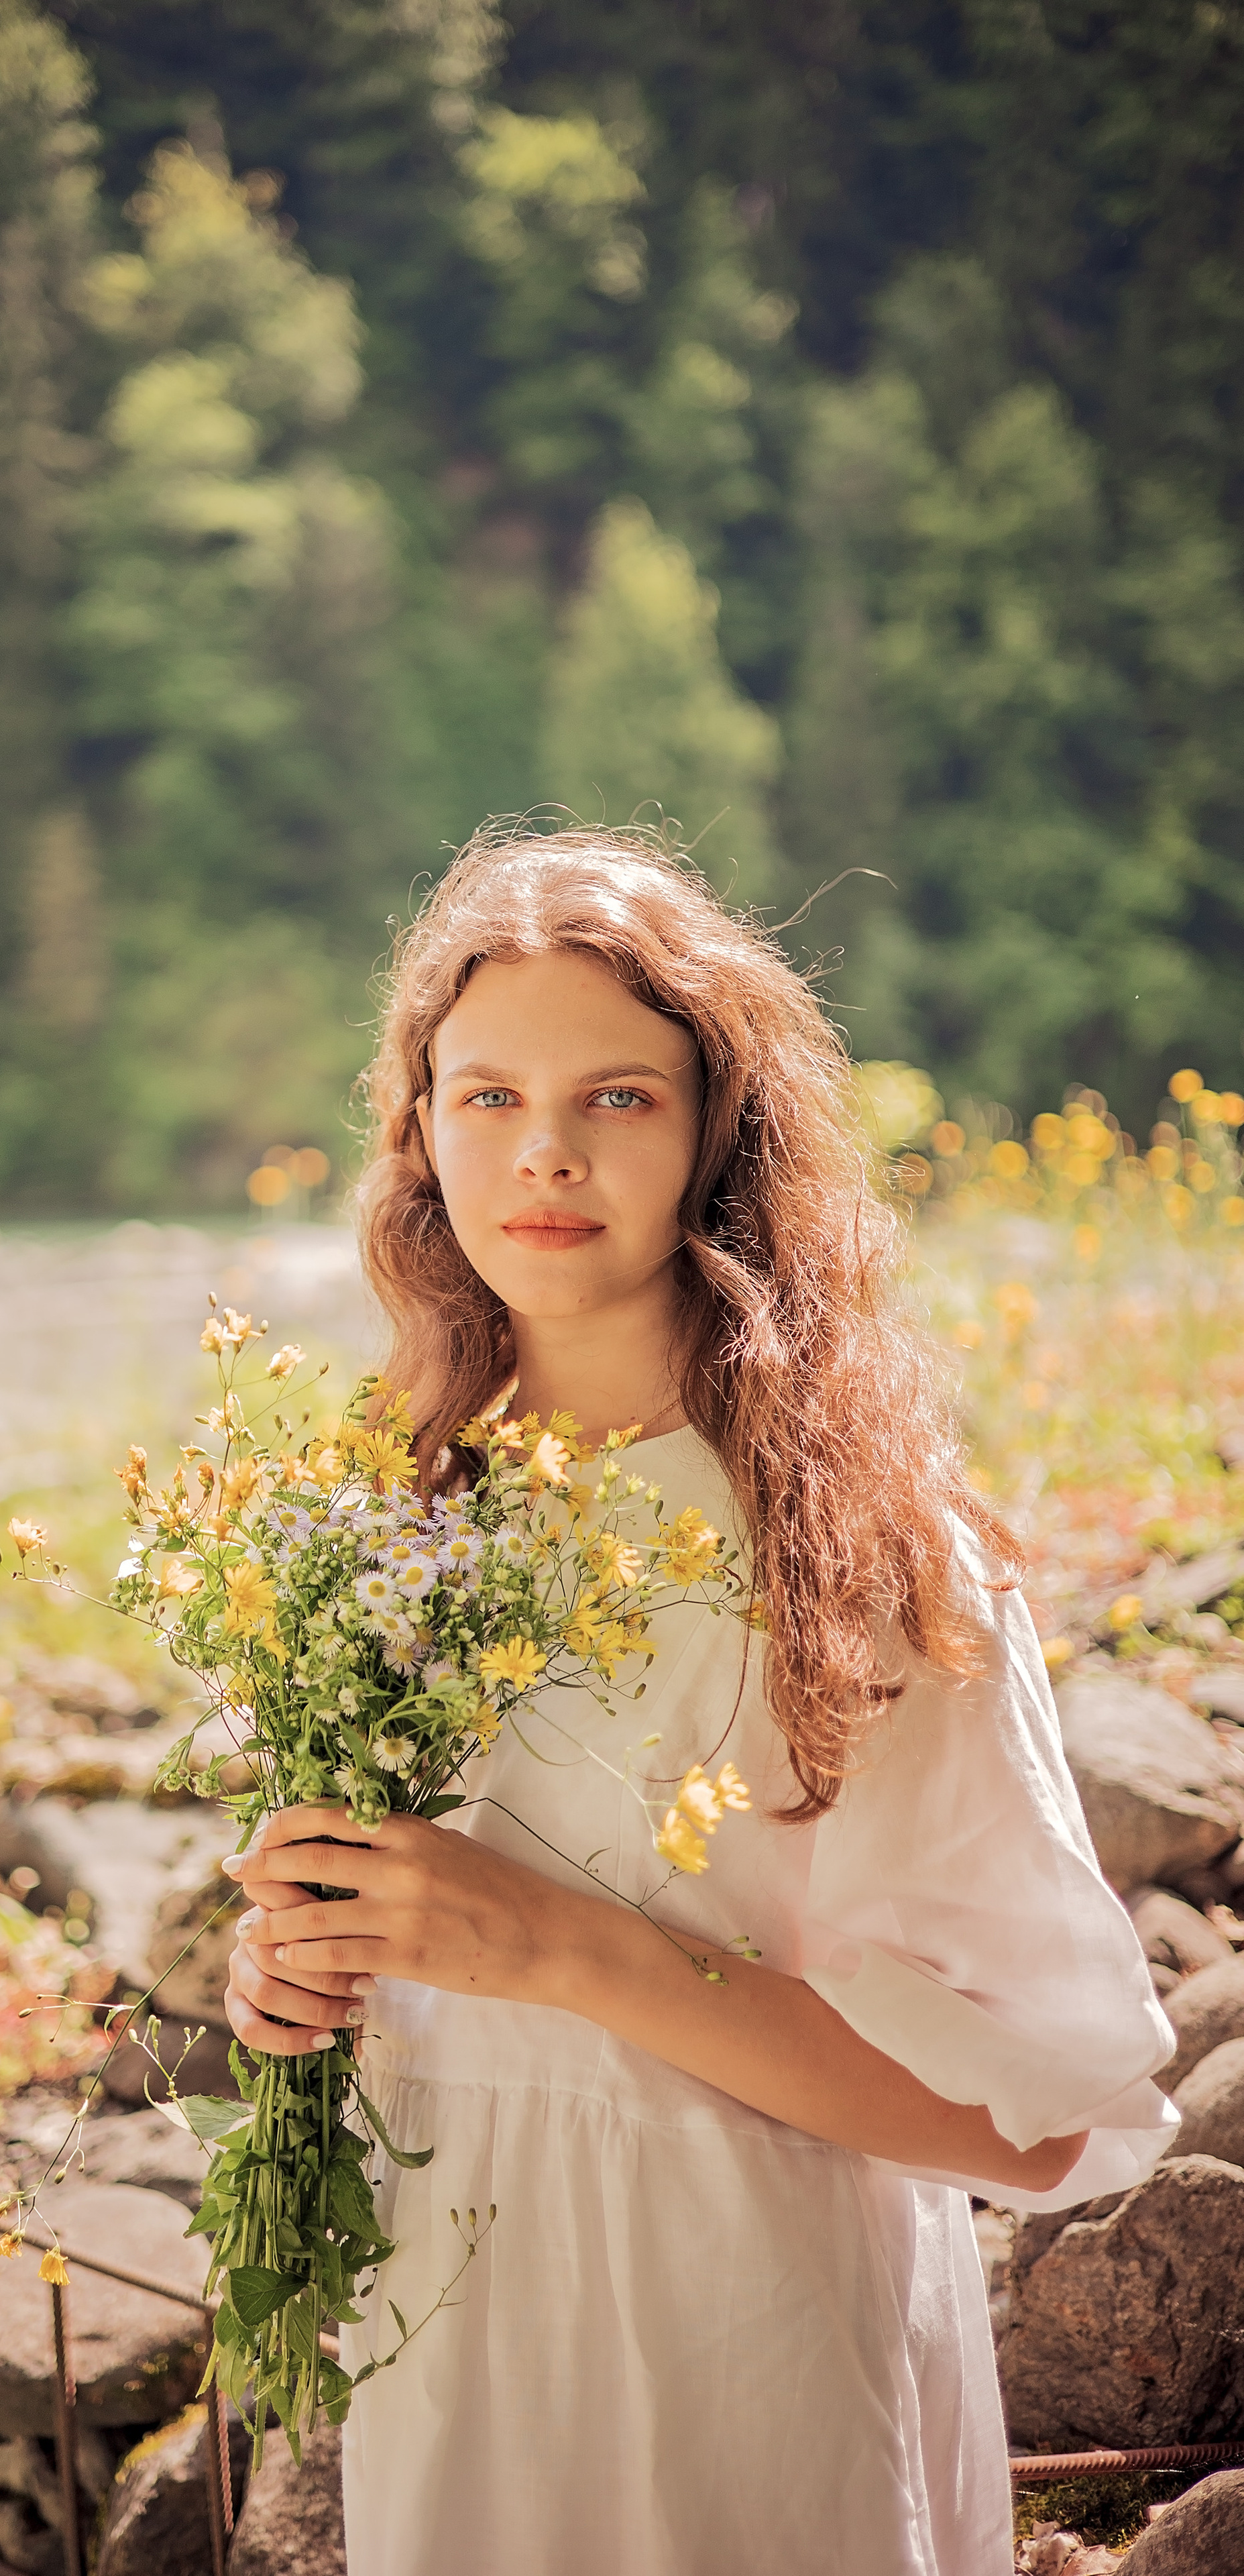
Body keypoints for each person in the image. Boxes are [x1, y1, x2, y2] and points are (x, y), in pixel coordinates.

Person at [221, 829, 1176, 2575]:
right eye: (486, 1095)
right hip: (456, 2356)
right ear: (420, 1131)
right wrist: (300, 1967)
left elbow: (1027, 2117)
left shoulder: (869, 1555)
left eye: (620, 1099)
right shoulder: (397, 1516)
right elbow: (420, 1959)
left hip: (750, 2368)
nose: (546, 1154)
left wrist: (549, 1947)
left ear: (720, 1135)